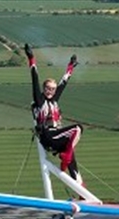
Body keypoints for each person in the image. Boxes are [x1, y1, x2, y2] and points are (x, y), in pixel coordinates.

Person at [24, 43, 84, 187]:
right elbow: (34, 80)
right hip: (48, 136)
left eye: (53, 89)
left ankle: (82, 192)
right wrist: (31, 59)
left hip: (57, 137)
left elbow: (64, 83)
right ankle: (66, 156)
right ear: (44, 89)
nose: (51, 91)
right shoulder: (40, 101)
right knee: (78, 129)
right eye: (48, 88)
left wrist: (70, 67)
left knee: (74, 167)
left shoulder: (54, 100)